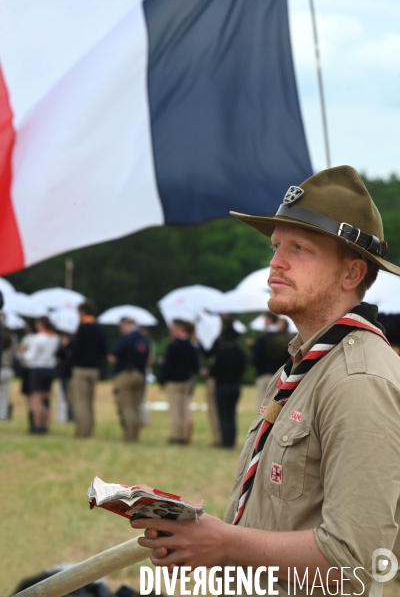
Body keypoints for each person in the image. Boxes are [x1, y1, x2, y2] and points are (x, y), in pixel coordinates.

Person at [131, 165, 400, 595]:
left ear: (351, 274)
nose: (275, 262)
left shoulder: (358, 380)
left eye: (299, 248)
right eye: (276, 246)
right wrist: (194, 537)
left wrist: (225, 544)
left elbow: (356, 562)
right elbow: (276, 519)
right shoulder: (303, 365)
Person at [69, 300, 107, 438]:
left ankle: (82, 431)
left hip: (81, 368)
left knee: (80, 402)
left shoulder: (82, 329)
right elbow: (103, 350)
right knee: (89, 402)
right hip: (94, 369)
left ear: (83, 312)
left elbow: (76, 349)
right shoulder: (99, 329)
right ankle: (90, 428)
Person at [159, 319, 200, 444]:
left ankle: (175, 435)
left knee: (175, 410)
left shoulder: (173, 345)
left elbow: (167, 365)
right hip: (186, 381)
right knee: (184, 409)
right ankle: (184, 435)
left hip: (173, 381)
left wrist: (162, 380)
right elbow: (196, 366)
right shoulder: (190, 345)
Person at [109, 317, 149, 442]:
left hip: (125, 374)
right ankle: (135, 434)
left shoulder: (126, 339)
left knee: (127, 407)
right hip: (141, 375)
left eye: (121, 326)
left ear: (127, 325)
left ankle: (130, 435)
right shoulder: (144, 339)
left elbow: (113, 357)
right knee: (136, 406)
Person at [209, 321, 247, 449]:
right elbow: (243, 369)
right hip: (235, 386)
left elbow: (213, 371)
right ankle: (231, 439)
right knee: (231, 414)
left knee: (223, 414)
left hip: (222, 386)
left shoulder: (221, 352)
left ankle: (225, 440)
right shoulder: (240, 352)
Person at [23, 316, 59, 433]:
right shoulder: (54, 338)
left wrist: (23, 352)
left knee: (36, 399)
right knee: (46, 399)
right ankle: (45, 425)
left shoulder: (37, 338)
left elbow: (30, 356)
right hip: (49, 369)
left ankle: (37, 425)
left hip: (37, 368)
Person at [251, 311, 290, 408]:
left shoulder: (263, 337)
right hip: (280, 375)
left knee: (262, 407)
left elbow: (257, 358)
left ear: (269, 319)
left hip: (264, 374)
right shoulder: (284, 337)